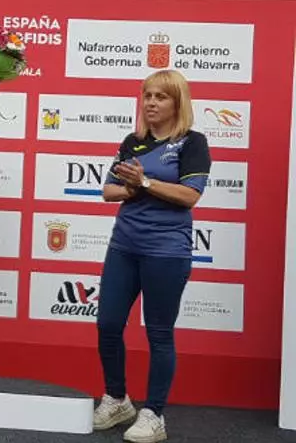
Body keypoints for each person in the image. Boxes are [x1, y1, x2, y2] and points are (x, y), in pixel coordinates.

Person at [92, 70, 211, 442]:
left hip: (166, 251)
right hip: (124, 246)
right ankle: (117, 399)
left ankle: (154, 414)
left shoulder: (193, 142)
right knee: (108, 324)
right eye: (147, 96)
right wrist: (132, 188)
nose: (151, 103)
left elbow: (190, 196)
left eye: (160, 97)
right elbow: (108, 191)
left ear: (177, 103)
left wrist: (143, 182)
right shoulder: (133, 141)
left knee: (159, 334)